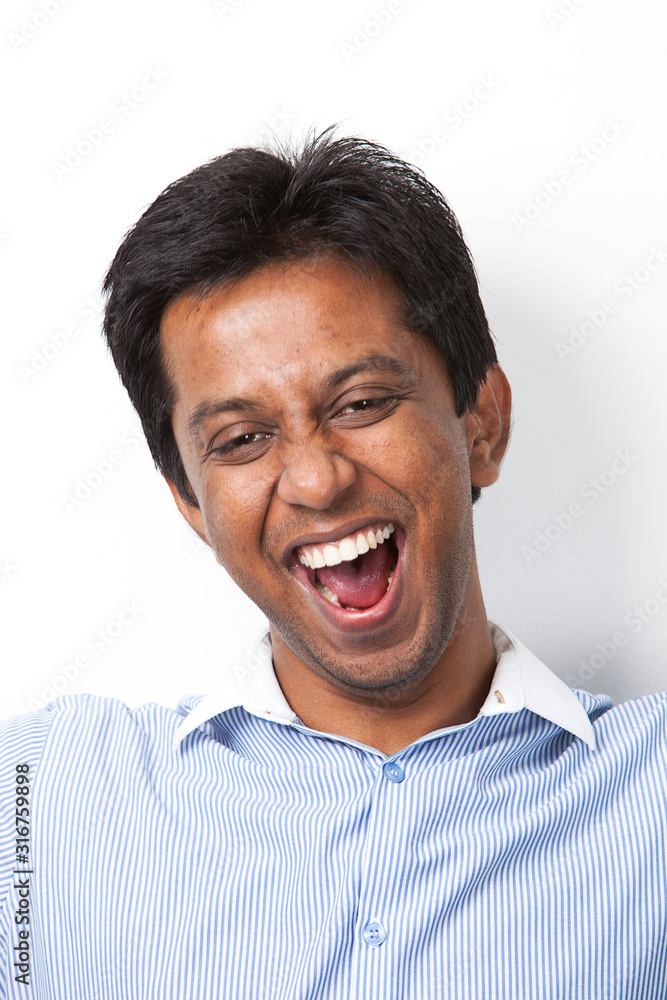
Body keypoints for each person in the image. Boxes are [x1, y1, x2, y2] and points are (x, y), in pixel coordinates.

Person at [1, 129, 665, 999]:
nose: (316, 479)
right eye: (242, 440)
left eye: (360, 403)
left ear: (481, 425)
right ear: (192, 505)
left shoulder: (649, 800)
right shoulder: (41, 796)